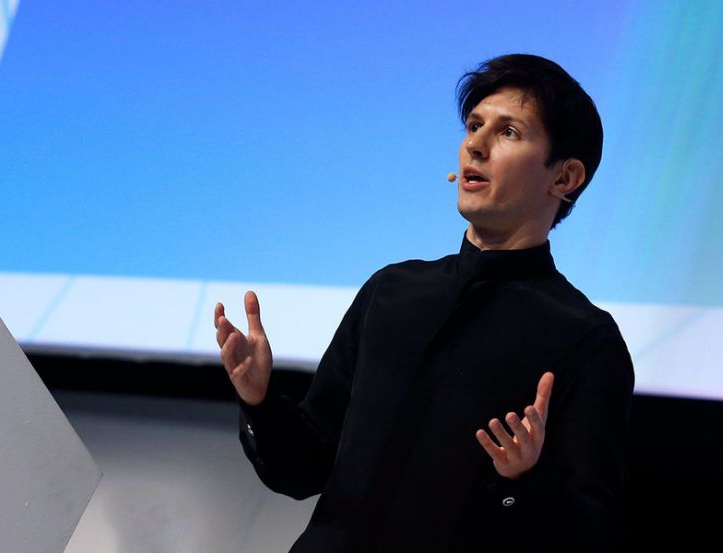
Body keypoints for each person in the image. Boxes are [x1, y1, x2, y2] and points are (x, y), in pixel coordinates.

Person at [214, 53, 634, 552]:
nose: (474, 145)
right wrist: (260, 401)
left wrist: (523, 481)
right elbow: (303, 470)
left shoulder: (585, 340)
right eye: (474, 126)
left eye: (508, 132)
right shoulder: (392, 291)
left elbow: (591, 535)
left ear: (564, 178)